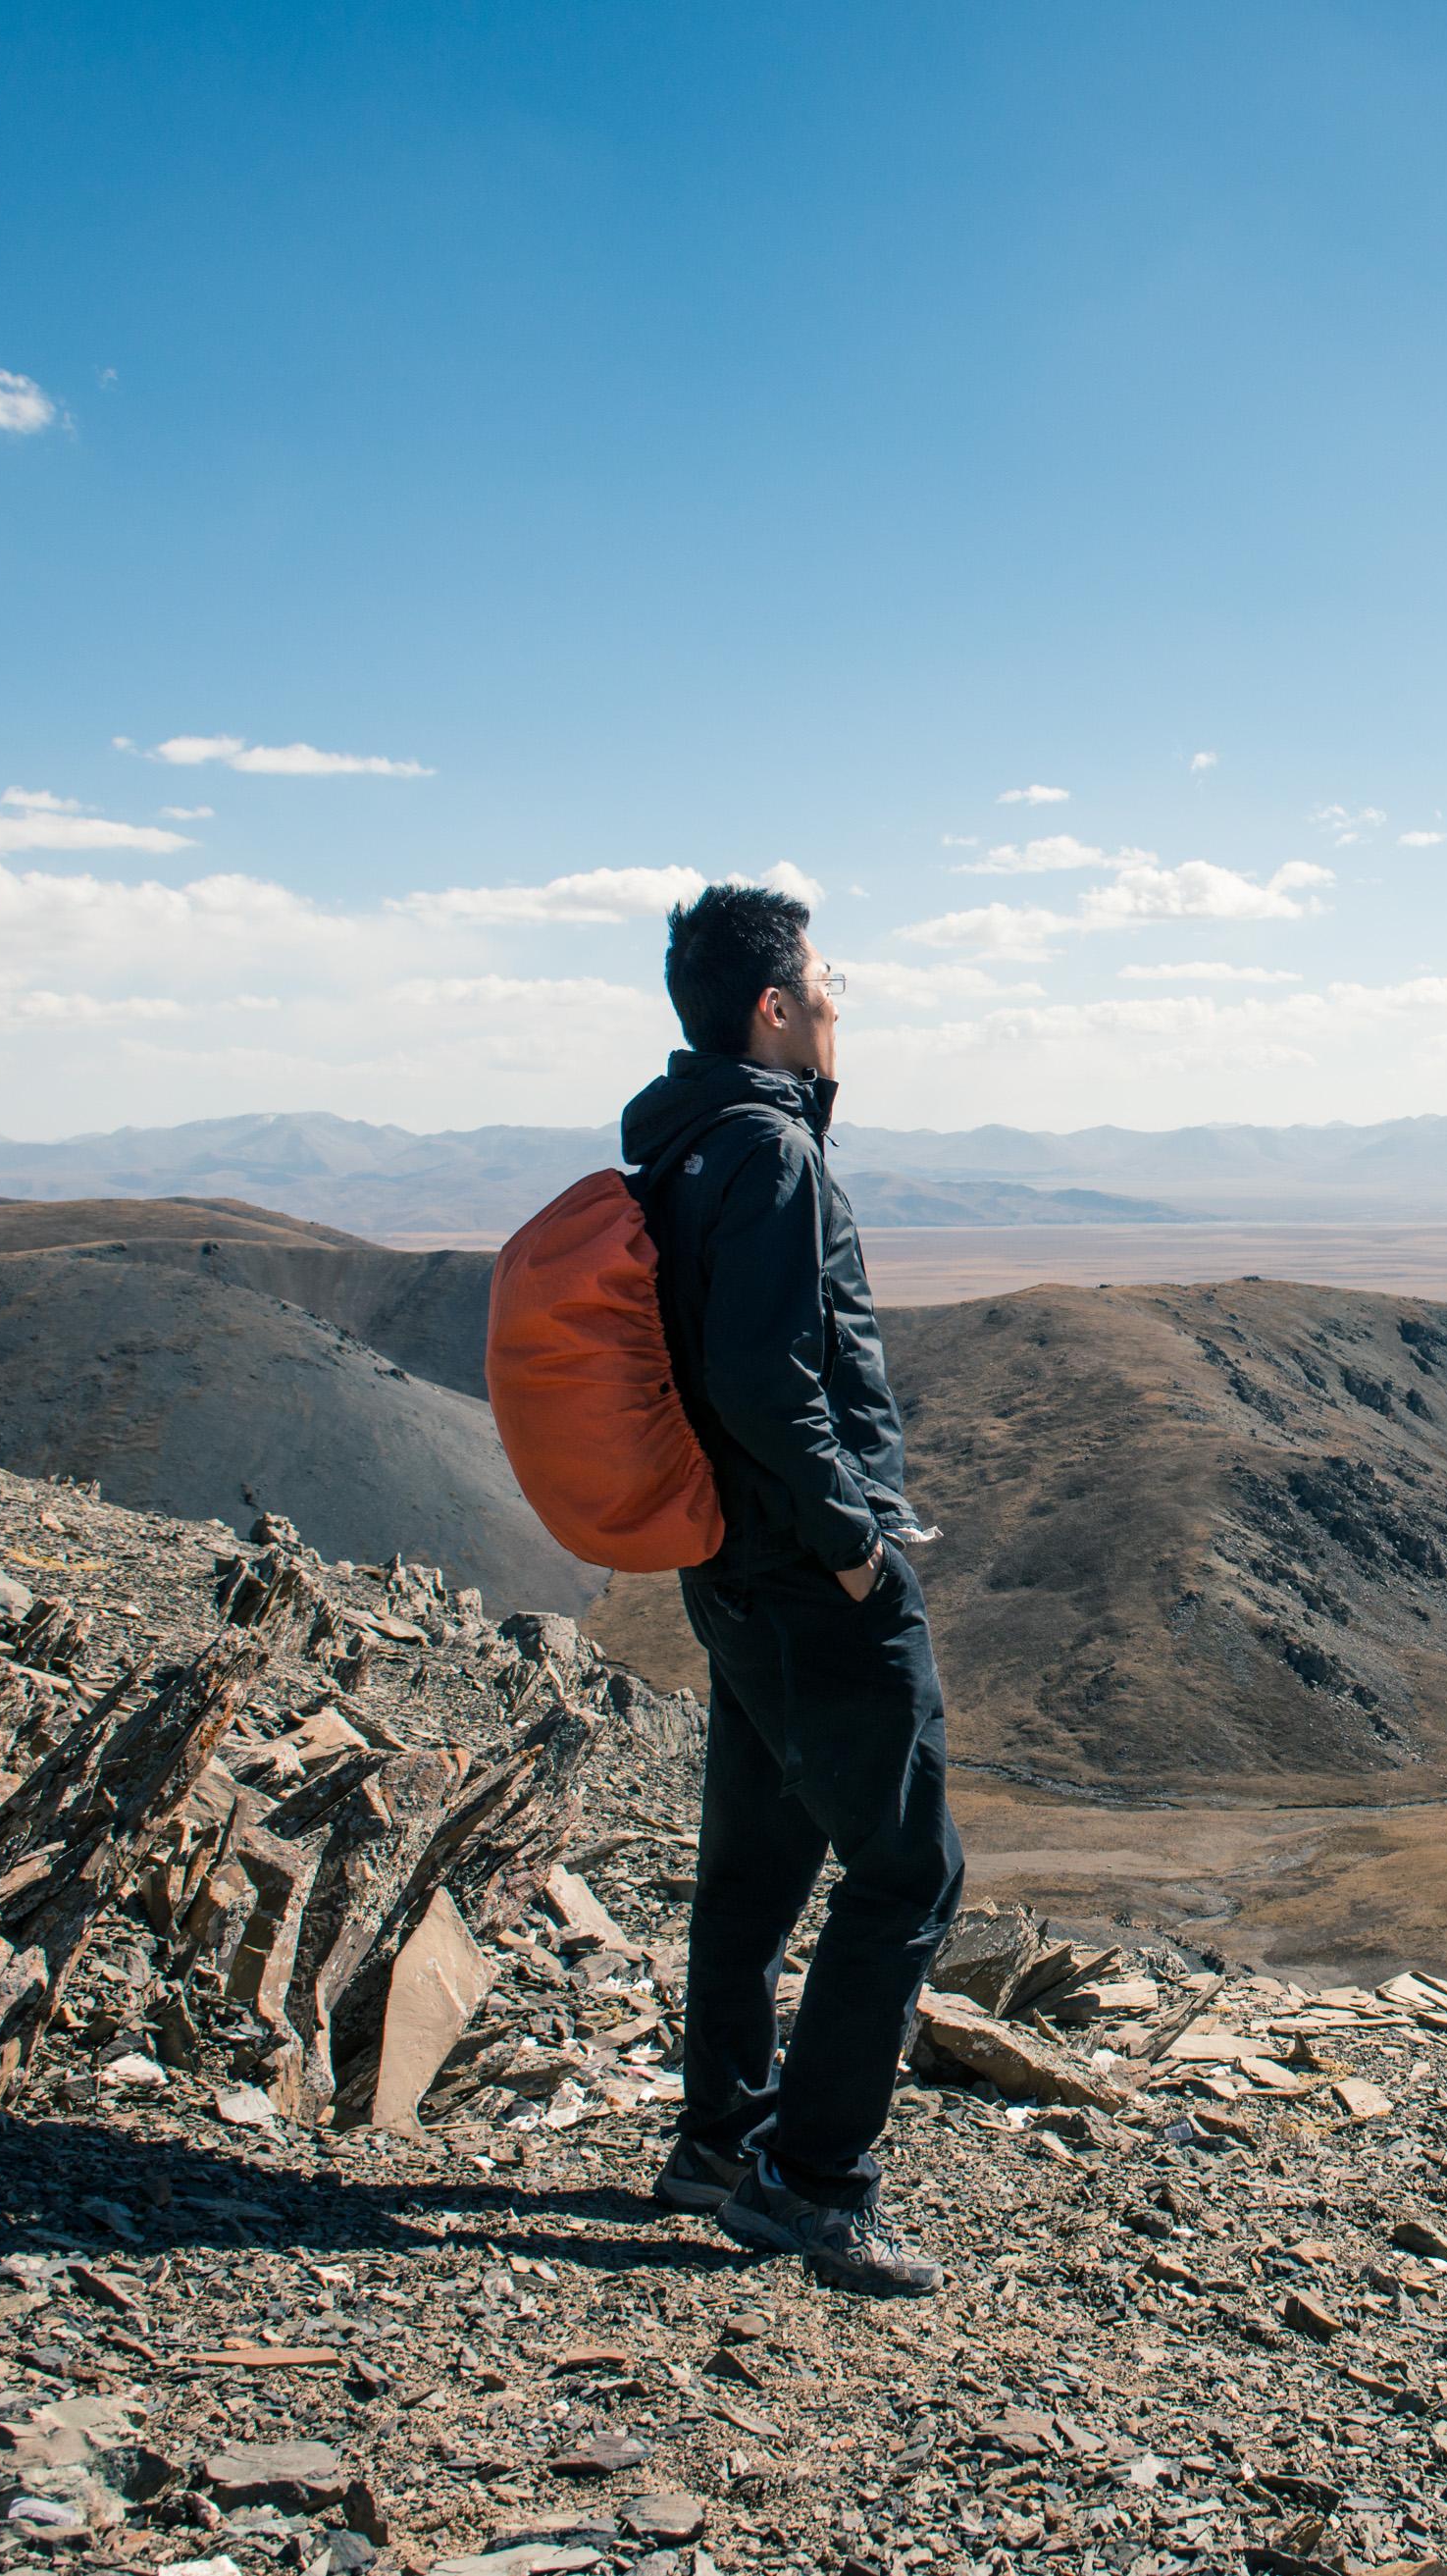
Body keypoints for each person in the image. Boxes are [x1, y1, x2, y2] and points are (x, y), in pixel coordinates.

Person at [621, 880, 960, 2296]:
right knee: (907, 1870)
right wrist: (850, 1542)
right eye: (823, 978)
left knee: (757, 1861)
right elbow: (768, 1375)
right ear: (772, 1006)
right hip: (807, 1575)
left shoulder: (695, 1142)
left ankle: (719, 2139)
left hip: (734, 1570)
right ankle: (809, 2181)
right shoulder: (765, 1152)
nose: (838, 997)